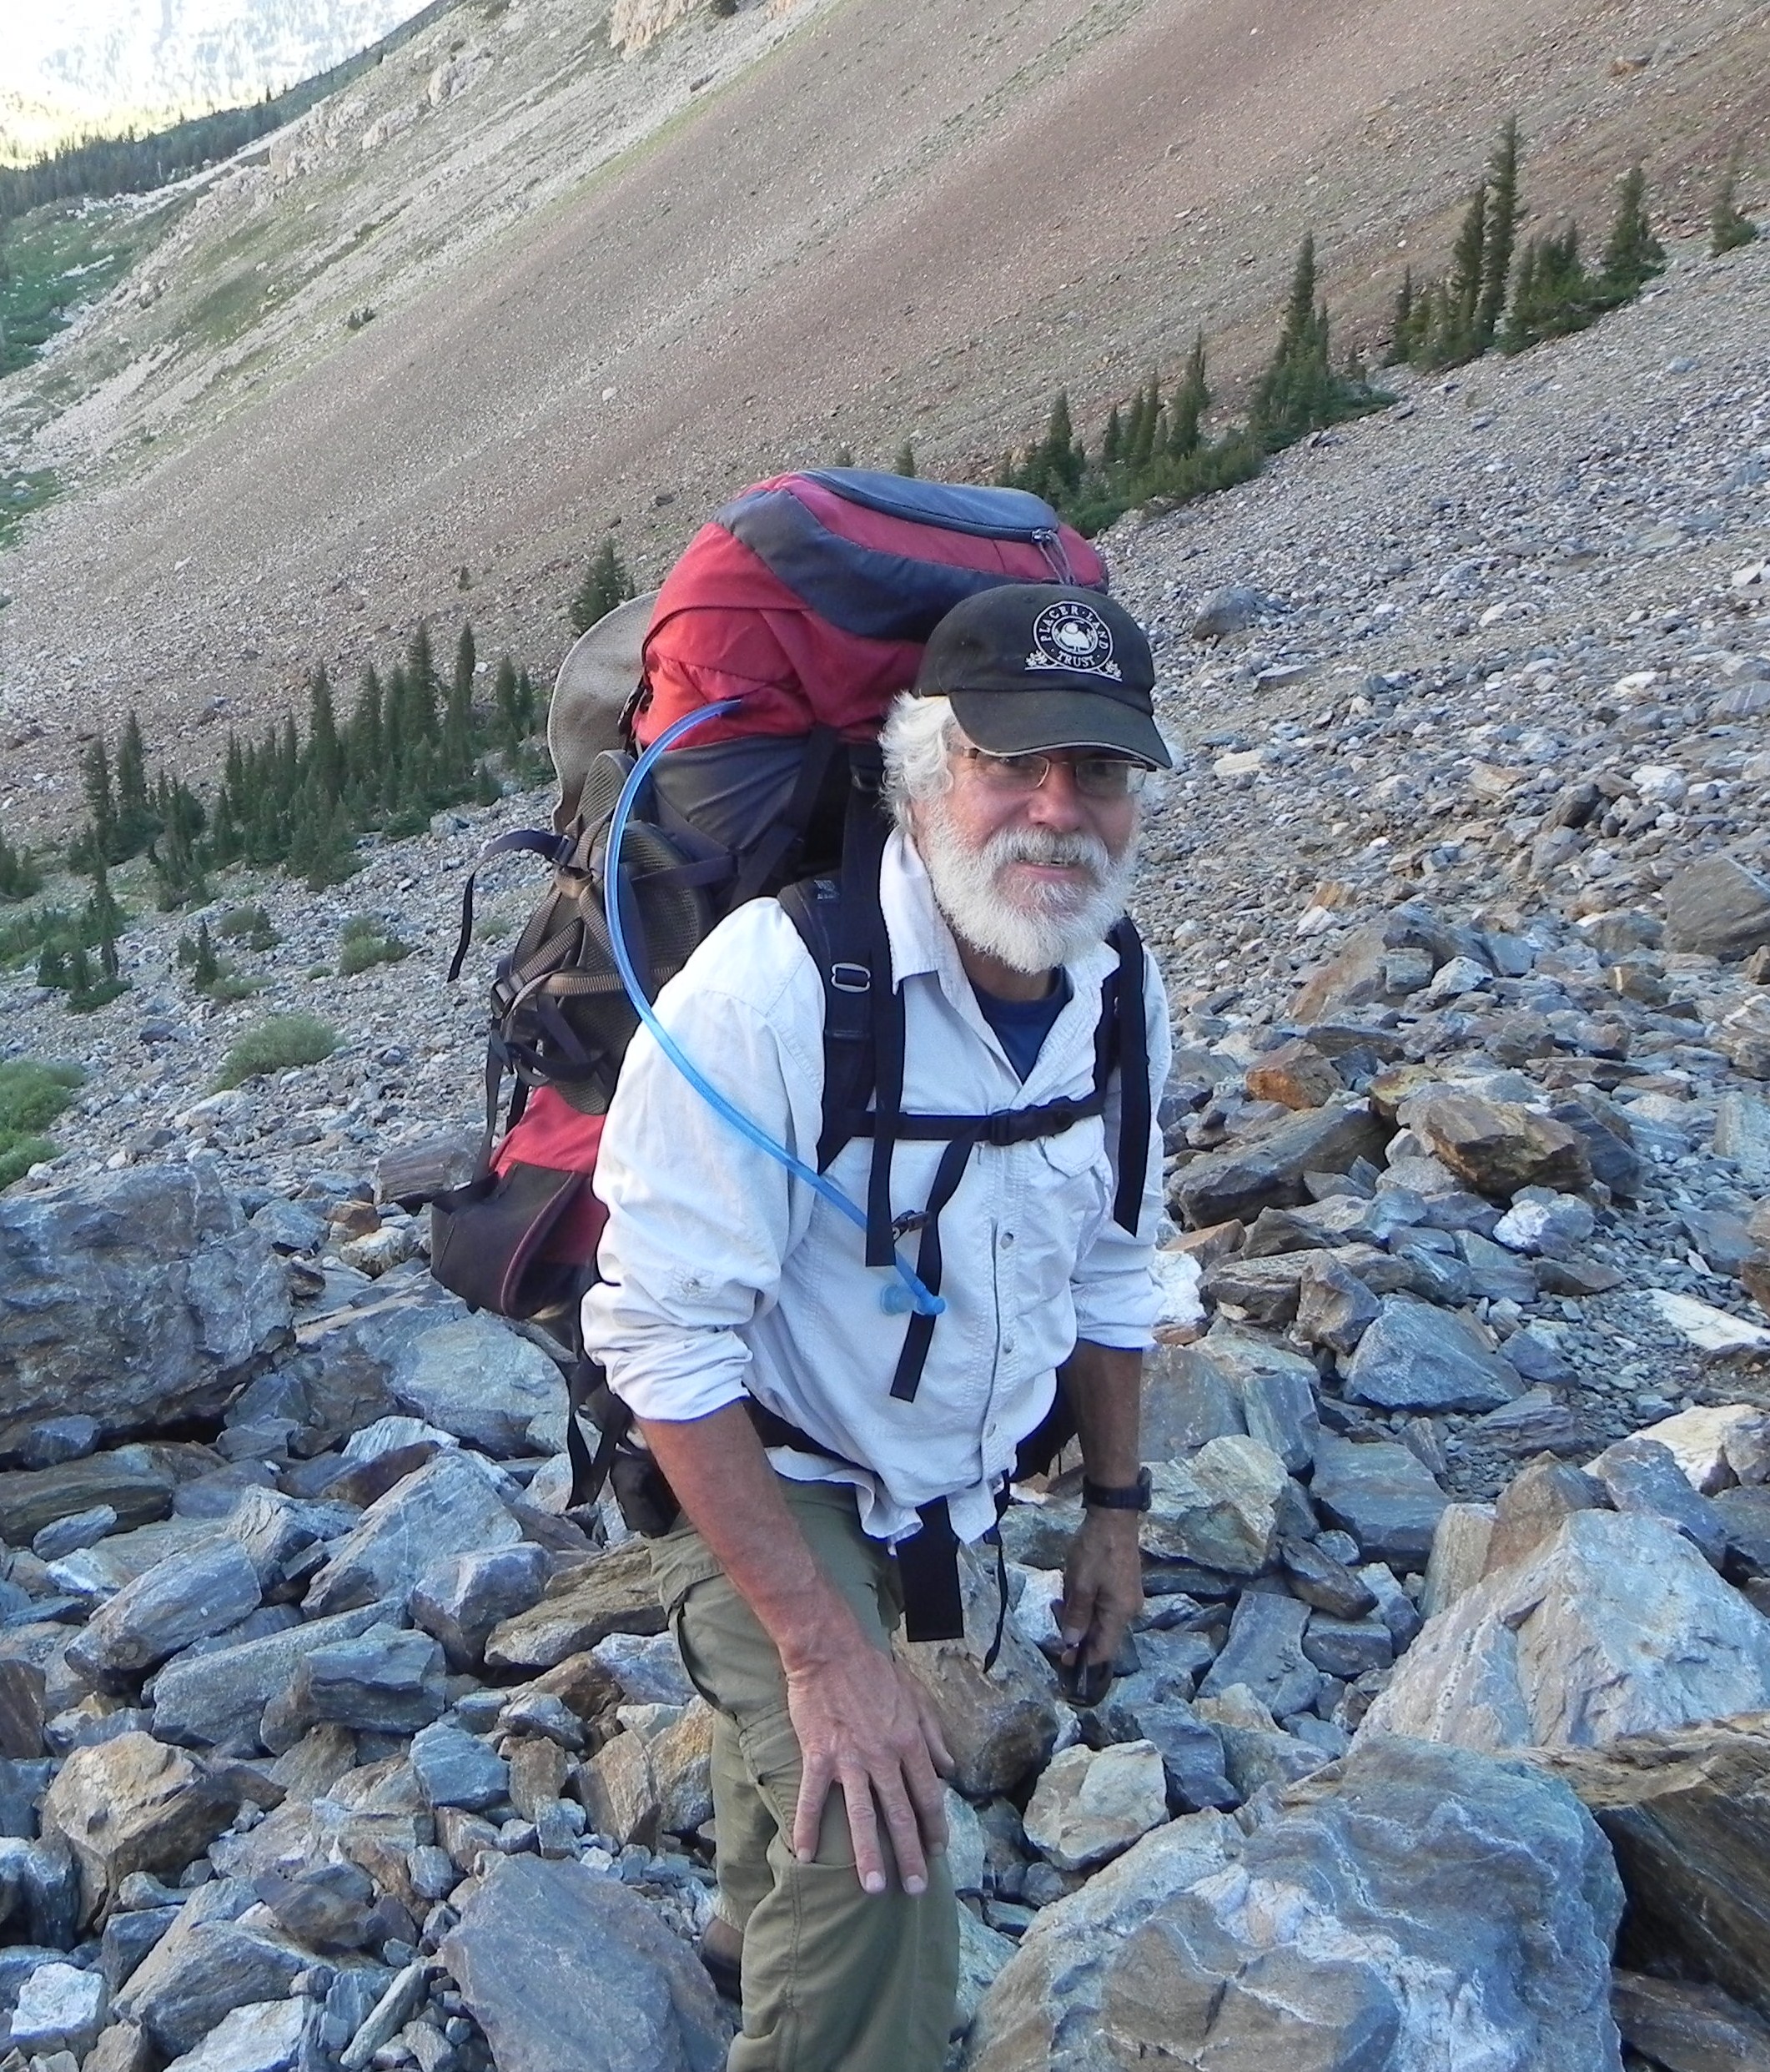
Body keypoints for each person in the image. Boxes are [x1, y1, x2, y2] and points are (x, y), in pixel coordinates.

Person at [581, 582, 1173, 2072]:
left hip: (928, 1468)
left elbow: (1110, 1265)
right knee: (877, 1825)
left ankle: (742, 1925)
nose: (1056, 810)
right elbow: (660, 1345)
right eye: (1009, 763)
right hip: (752, 1456)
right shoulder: (774, 989)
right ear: (922, 776)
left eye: (1097, 770)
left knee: (828, 1758)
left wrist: (1115, 1508)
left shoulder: (1114, 990)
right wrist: (822, 1647)